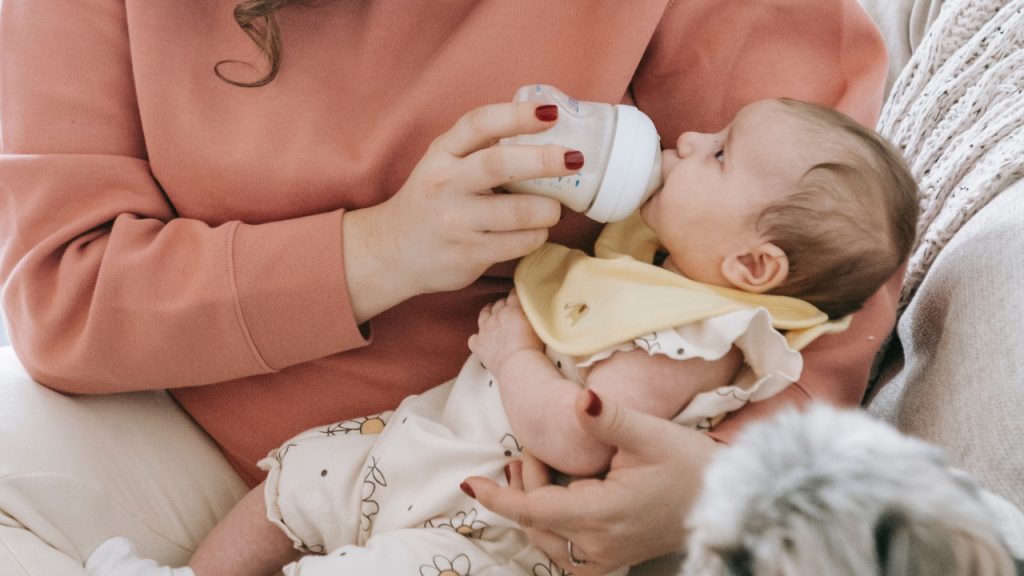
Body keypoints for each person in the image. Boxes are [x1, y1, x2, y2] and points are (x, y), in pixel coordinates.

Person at [0, 1, 893, 575]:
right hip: (199, 426)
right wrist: (376, 252)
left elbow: (826, 266)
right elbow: (62, 295)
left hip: (533, 500)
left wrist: (721, 477)